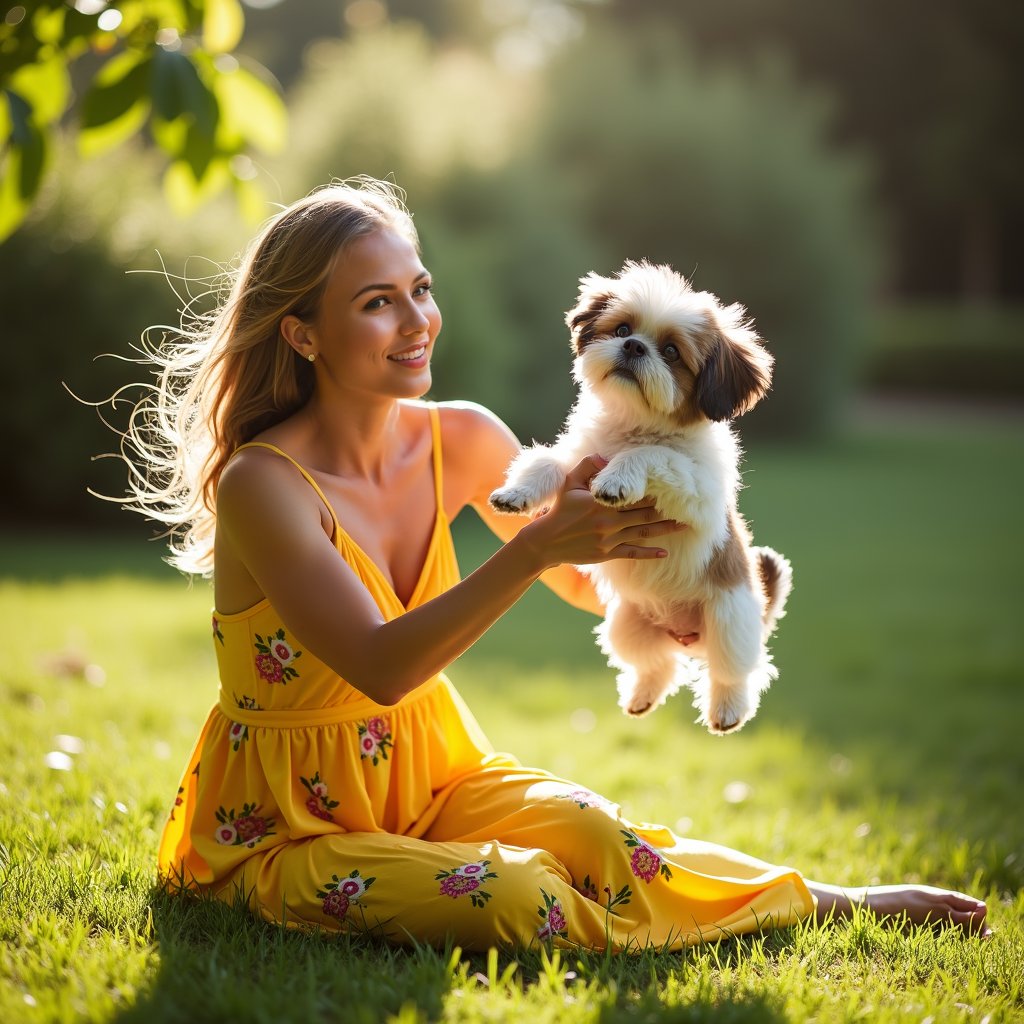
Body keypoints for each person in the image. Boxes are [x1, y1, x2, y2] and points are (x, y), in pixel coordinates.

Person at [137, 177, 988, 949]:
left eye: (420, 290)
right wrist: (536, 545)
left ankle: (832, 900)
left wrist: (685, 607)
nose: (416, 321)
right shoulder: (263, 484)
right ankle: (602, 913)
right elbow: (381, 667)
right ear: (302, 333)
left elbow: (586, 580)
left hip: (434, 776)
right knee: (514, 893)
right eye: (376, 303)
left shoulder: (462, 437)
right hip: (286, 825)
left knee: (596, 834)